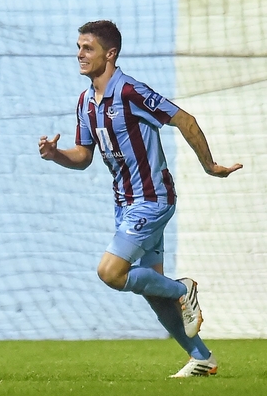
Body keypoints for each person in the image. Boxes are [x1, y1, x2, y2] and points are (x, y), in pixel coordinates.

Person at [38, 20, 242, 378]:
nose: (79, 54)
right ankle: (202, 358)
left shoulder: (130, 91)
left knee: (111, 272)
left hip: (152, 198)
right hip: (124, 203)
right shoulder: (86, 102)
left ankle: (183, 289)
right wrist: (56, 155)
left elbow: (185, 119)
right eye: (78, 47)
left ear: (110, 54)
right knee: (151, 289)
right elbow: (84, 157)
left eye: (88, 48)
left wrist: (209, 166)